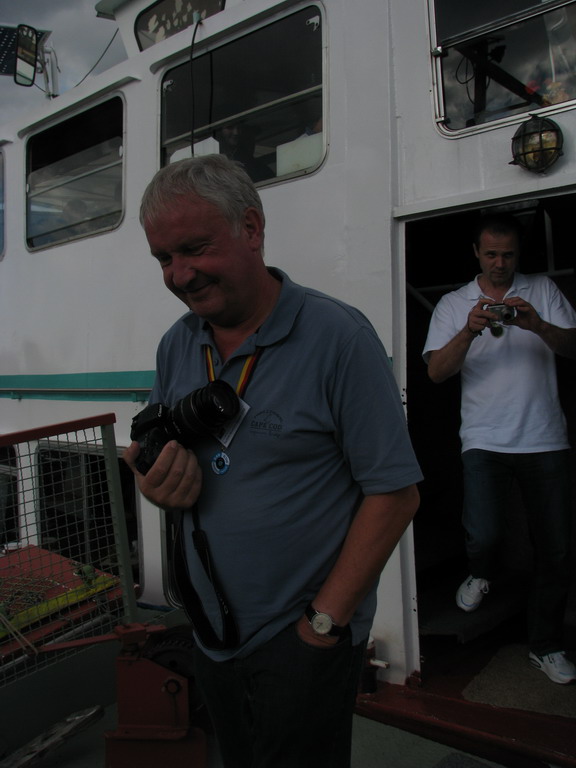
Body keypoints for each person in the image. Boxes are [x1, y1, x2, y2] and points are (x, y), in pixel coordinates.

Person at [123, 154, 422, 768]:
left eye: (194, 249)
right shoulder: (177, 342)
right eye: (163, 258)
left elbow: (395, 494)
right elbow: (155, 449)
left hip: (300, 639)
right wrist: (154, 483)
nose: (179, 275)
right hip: (211, 632)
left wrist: (321, 627)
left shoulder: (339, 337)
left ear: (251, 229)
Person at [423, 212, 576, 685]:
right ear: (476, 252)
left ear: (518, 254)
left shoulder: (542, 290)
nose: (499, 263)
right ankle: (480, 571)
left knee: (556, 549)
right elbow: (436, 372)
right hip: (485, 438)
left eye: (508, 255)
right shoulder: (454, 303)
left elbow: (573, 347)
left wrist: (537, 325)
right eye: (490, 254)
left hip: (545, 437)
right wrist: (468, 330)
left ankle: (546, 646)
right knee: (485, 534)